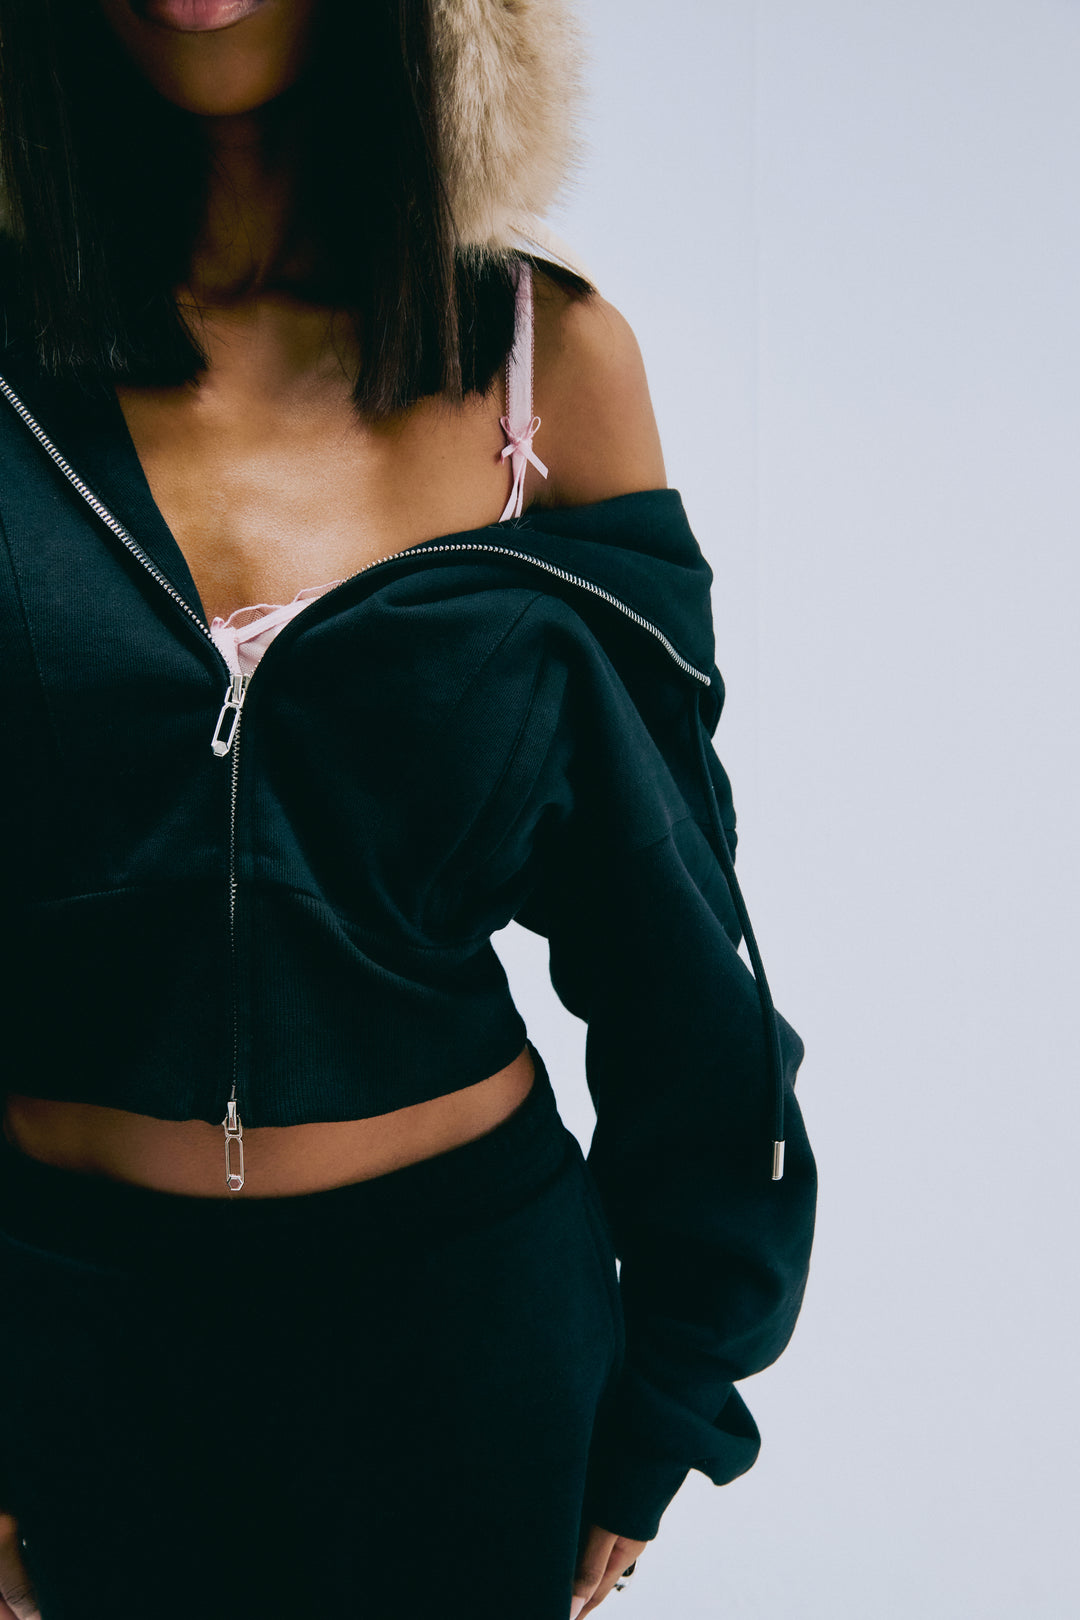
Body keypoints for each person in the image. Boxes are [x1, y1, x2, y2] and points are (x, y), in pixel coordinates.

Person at [0, 2, 818, 1617]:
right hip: (63, 1327)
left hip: (460, 1333)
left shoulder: (545, 365)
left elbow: (674, 940)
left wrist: (673, 1382)